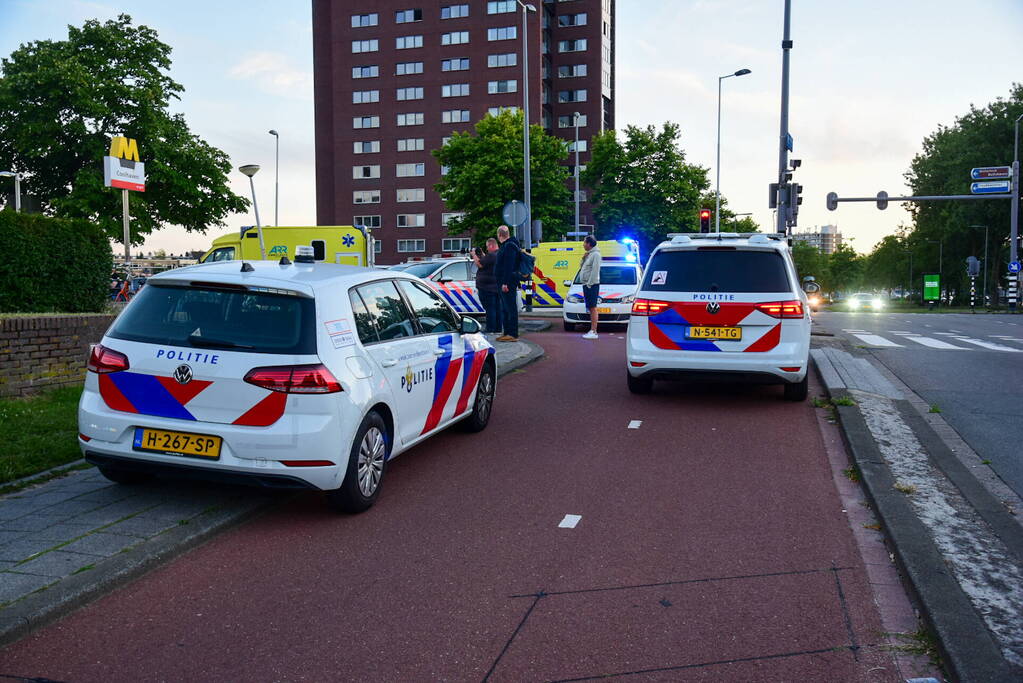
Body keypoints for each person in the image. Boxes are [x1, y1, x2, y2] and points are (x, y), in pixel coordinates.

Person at [493, 225, 521, 342]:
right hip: (504, 281)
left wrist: (505, 283)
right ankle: (507, 332)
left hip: (507, 282)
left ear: (499, 235)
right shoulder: (508, 245)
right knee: (505, 308)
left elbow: (508, 266)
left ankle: (512, 334)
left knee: (510, 308)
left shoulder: (509, 246)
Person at [471, 238, 501, 334]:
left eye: (488, 247)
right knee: (497, 309)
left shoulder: (492, 255)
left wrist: (474, 255)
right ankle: (498, 329)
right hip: (496, 287)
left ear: (491, 245)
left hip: (487, 288)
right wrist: (482, 254)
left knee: (490, 309)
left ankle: (490, 329)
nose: (487, 249)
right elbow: (486, 261)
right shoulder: (499, 254)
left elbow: (480, 264)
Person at [578, 234, 602, 339]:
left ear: (589, 244)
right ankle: (592, 330)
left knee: (593, 307)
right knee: (590, 307)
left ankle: (594, 330)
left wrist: (589, 284)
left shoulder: (596, 254)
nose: (583, 244)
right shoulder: (589, 254)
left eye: (584, 242)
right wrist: (583, 259)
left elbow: (595, 270)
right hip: (587, 284)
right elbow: (583, 268)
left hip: (591, 285)